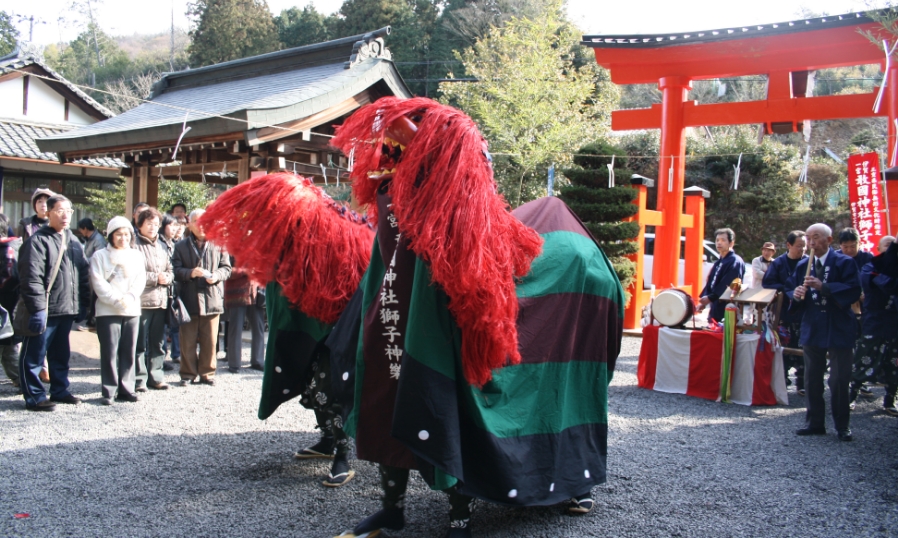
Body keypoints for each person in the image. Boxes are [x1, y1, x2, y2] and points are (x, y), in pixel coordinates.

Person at [788, 223, 862, 441]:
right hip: (813, 323)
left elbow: (854, 290)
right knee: (812, 377)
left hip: (838, 324)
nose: (811, 242)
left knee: (839, 378)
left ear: (829, 240)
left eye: (816, 237)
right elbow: (792, 290)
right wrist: (797, 294)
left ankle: (842, 425)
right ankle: (814, 423)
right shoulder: (803, 264)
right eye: (808, 238)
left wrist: (824, 287)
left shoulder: (844, 262)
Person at [17, 194, 90, 411]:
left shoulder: (74, 240)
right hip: (45, 309)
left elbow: (82, 275)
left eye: (69, 210)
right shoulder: (38, 241)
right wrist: (38, 309)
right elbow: (31, 279)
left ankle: (59, 389)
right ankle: (34, 395)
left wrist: (83, 304)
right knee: (34, 355)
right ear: (47, 213)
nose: (65, 215)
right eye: (59, 210)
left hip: (67, 307)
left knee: (60, 354)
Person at [89, 217, 145, 405]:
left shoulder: (137, 255)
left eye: (126, 234)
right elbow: (98, 282)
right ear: (111, 236)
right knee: (110, 351)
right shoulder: (99, 256)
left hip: (131, 309)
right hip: (107, 310)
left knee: (129, 350)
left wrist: (129, 298)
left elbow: (140, 280)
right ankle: (109, 390)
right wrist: (115, 299)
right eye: (118, 234)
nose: (123, 238)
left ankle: (127, 388)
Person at [172, 209, 231, 386]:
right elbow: (174, 270)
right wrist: (190, 273)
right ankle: (188, 374)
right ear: (189, 224)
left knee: (210, 340)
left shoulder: (219, 243)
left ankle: (207, 373)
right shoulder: (180, 246)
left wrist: (217, 276)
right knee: (187, 340)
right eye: (197, 221)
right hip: (188, 298)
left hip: (212, 297)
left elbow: (226, 268)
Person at [849, 235, 898, 416]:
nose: (892, 248)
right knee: (864, 359)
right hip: (875, 321)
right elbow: (886, 284)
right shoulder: (871, 267)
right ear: (879, 248)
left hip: (894, 324)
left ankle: (890, 400)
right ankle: (851, 396)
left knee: (895, 364)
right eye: (888, 245)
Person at [762, 231, 808, 394]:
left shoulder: (809, 262)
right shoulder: (779, 263)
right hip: (784, 312)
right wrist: (787, 290)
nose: (802, 250)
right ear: (788, 245)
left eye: (804, 246)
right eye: (798, 246)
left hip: (804, 313)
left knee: (804, 347)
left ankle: (802, 382)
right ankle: (782, 380)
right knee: (783, 346)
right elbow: (768, 283)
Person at [134, 207, 174, 391]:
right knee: (140, 342)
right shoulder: (134, 245)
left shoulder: (162, 246)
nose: (152, 227)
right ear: (140, 224)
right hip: (142, 301)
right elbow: (133, 272)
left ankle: (156, 376)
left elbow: (170, 269)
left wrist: (168, 277)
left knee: (158, 342)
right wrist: (154, 278)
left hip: (161, 300)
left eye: (156, 224)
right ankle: (139, 378)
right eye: (149, 224)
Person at [697, 228, 746, 323]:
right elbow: (711, 282)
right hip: (716, 304)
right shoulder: (719, 261)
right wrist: (704, 301)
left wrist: (710, 297)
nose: (719, 243)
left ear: (731, 243)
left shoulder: (735, 261)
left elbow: (728, 283)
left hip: (728, 305)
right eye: (717, 240)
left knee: (725, 333)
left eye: (723, 240)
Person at [223, 261, 265, 373]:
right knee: (235, 329)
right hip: (236, 293)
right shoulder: (229, 247)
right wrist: (245, 271)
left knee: (259, 328)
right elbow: (224, 270)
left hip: (255, 294)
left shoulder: (256, 247)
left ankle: (258, 361)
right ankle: (234, 364)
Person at [0, 214, 22, 392]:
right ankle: (19, 379)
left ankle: (20, 379)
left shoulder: (7, 248)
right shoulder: (17, 245)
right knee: (9, 347)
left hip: (6, 305)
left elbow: (9, 276)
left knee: (7, 345)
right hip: (14, 305)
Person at [159, 214, 181, 369]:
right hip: (161, 288)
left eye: (176, 226)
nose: (174, 229)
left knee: (175, 323)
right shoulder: (159, 243)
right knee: (161, 326)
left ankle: (176, 353)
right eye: (171, 225)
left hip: (174, 288)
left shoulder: (175, 243)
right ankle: (160, 357)